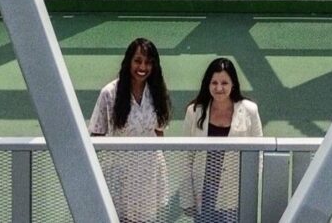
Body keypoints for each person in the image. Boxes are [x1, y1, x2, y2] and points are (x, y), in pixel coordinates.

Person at [89, 38, 171, 223]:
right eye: (138, 61)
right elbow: (96, 134)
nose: (143, 67)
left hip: (150, 170)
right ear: (128, 62)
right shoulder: (109, 93)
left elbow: (159, 131)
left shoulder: (158, 92)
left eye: (149, 62)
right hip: (119, 171)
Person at [180, 58, 262, 223]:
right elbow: (185, 158)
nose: (219, 88)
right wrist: (187, 199)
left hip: (235, 196)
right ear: (207, 84)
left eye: (224, 83)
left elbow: (259, 155)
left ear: (233, 84)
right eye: (214, 83)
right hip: (203, 196)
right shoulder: (194, 111)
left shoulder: (249, 110)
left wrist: (250, 192)